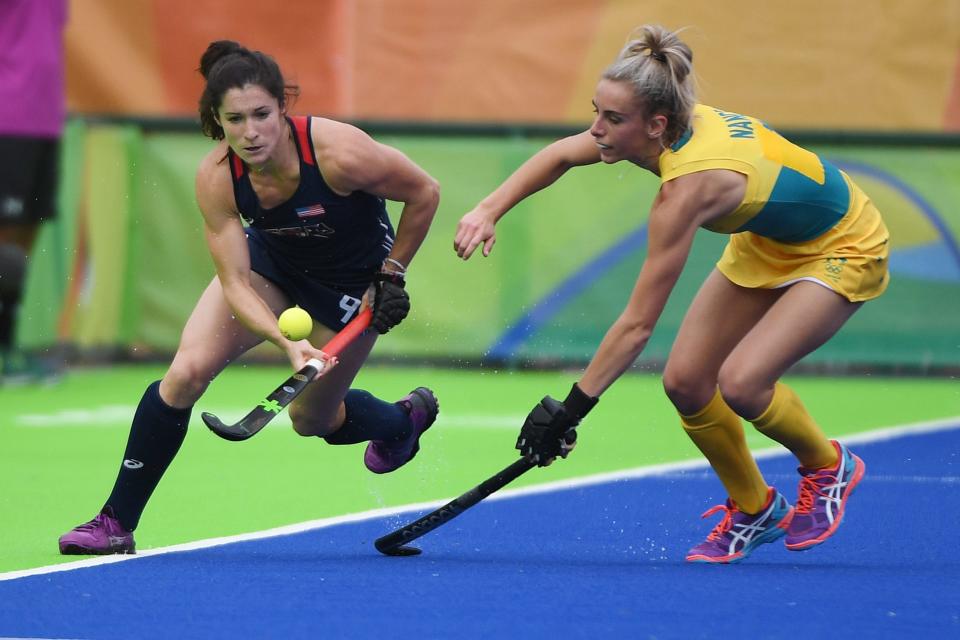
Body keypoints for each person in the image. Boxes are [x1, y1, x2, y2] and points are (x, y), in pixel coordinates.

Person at [454, 25, 886, 564]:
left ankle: (827, 467)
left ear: (656, 125)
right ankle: (754, 507)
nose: (597, 131)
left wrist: (571, 409)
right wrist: (488, 209)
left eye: (612, 120)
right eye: (596, 113)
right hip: (768, 242)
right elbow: (560, 156)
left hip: (842, 241)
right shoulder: (666, 121)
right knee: (685, 382)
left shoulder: (687, 189)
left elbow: (638, 325)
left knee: (744, 383)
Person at [59, 41, 441, 555]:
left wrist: (391, 275)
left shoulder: (340, 154)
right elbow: (236, 282)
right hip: (272, 267)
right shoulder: (217, 177)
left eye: (262, 114)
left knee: (311, 421)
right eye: (234, 119)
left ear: (284, 108)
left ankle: (403, 420)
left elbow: (425, 192)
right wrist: (285, 344)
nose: (251, 131)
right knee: (186, 373)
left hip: (352, 287)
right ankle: (115, 523)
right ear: (217, 122)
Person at [0, 0, 67, 384]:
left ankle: (9, 348)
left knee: (22, 244)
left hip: (45, 122)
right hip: (6, 119)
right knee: (5, 241)